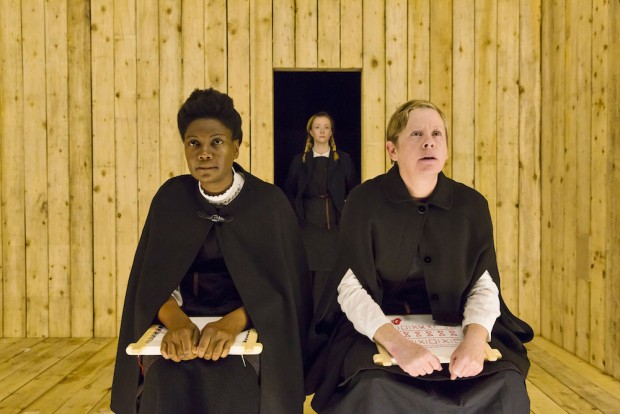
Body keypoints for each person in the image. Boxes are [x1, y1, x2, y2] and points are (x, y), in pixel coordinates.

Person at [306, 100, 534, 413]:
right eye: (416, 134)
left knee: (504, 380)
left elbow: (485, 285)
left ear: (447, 148)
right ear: (392, 150)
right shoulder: (363, 202)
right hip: (378, 326)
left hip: (458, 323)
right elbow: (351, 287)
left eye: (437, 134)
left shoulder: (471, 206)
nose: (429, 141)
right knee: (373, 384)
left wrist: (476, 340)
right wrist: (397, 344)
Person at [111, 88, 312, 414]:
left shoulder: (269, 204)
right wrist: (176, 323)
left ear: (236, 146)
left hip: (247, 329)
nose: (204, 153)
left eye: (216, 142)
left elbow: (286, 295)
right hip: (178, 326)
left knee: (231, 380)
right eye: (194, 143)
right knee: (166, 378)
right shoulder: (170, 200)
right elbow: (149, 284)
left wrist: (233, 324)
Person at [284, 112, 358, 308]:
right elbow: (289, 192)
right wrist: (297, 217)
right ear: (311, 131)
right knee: (308, 270)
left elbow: (354, 190)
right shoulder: (299, 160)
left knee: (332, 270)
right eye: (318, 127)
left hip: (334, 223)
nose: (322, 131)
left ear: (331, 131)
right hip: (307, 223)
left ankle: (331, 317)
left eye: (326, 127)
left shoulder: (343, 160)